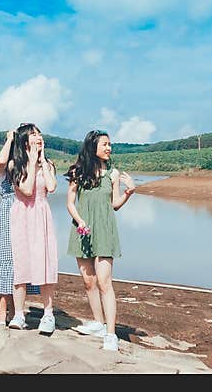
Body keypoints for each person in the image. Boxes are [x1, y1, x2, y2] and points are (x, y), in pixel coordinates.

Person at [65, 130, 136, 351]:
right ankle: (97, 322)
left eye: (110, 144)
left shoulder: (112, 174)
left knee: (105, 282)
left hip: (105, 229)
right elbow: (70, 203)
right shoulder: (78, 171)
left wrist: (129, 193)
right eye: (105, 144)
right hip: (83, 229)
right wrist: (81, 221)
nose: (109, 148)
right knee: (89, 282)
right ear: (92, 146)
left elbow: (114, 204)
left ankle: (111, 334)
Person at [8, 123, 58, 333]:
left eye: (39, 133)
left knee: (45, 263)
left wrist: (42, 159)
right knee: (22, 265)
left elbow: (52, 186)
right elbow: (27, 190)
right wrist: (30, 160)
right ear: (24, 141)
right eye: (33, 135)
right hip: (22, 216)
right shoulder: (14, 165)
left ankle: (48, 314)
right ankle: (19, 314)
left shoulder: (47, 164)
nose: (38, 137)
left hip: (41, 214)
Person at [0, 129, 40, 327]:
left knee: (22, 261)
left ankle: (15, 310)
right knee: (5, 258)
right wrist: (10, 140)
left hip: (28, 210)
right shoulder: (10, 164)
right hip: (9, 209)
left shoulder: (32, 162)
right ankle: (3, 311)